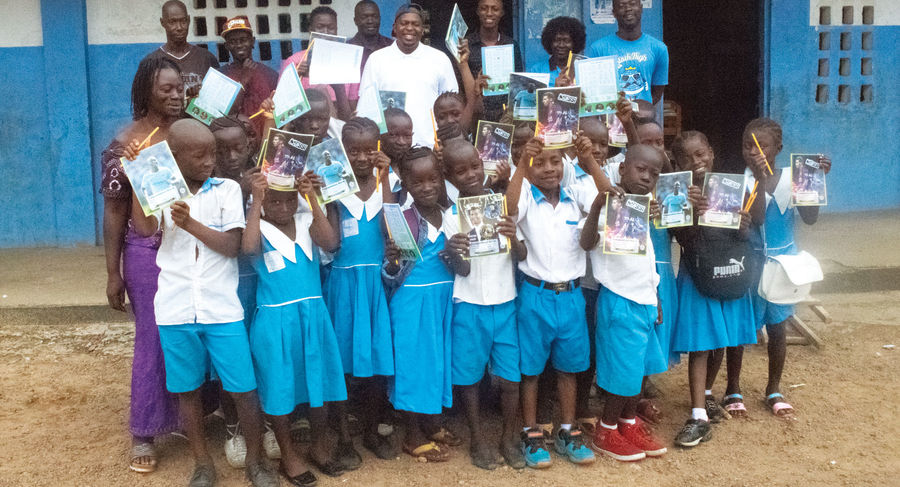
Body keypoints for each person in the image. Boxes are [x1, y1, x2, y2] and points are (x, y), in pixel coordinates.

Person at [126, 119, 277, 487]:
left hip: (221, 308)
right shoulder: (162, 187)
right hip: (176, 308)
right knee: (187, 390)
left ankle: (256, 462)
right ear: (174, 157)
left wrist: (190, 223)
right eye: (200, 155)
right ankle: (202, 464)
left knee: (243, 387)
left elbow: (232, 246)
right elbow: (145, 230)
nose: (211, 160)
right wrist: (138, 175)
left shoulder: (225, 189)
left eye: (212, 152)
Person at [504, 132, 612, 468]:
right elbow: (507, 208)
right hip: (534, 296)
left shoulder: (575, 198)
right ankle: (531, 432)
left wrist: (588, 160)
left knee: (569, 369)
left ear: (566, 164)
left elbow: (605, 199)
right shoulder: (525, 198)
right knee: (531, 371)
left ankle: (567, 430)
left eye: (556, 161)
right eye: (540, 162)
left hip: (571, 297)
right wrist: (523, 162)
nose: (549, 169)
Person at [101, 56, 183, 475]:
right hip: (145, 253)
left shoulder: (192, 133)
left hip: (190, 249)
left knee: (191, 331)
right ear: (145, 92)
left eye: (179, 87)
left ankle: (191, 416)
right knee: (152, 337)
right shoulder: (125, 143)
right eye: (165, 89)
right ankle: (145, 430)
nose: (175, 95)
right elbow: (115, 213)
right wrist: (113, 272)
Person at [242, 170, 349, 485]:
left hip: (313, 317)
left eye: (288, 199)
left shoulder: (306, 223)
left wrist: (311, 198)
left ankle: (319, 444)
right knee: (278, 388)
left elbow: (331, 242)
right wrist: (256, 200)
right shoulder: (257, 227)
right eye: (273, 200)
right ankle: (288, 453)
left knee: (319, 384)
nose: (282, 206)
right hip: (275, 323)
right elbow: (248, 249)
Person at [668, 129, 762, 448]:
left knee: (720, 339)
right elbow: (683, 238)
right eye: (686, 158)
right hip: (698, 276)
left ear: (711, 153)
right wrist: (691, 209)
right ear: (676, 162)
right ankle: (697, 415)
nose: (696, 162)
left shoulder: (731, 187)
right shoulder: (677, 191)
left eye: (700, 154)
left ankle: (705, 395)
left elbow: (743, 235)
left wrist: (744, 227)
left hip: (728, 269)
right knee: (700, 345)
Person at [439, 139, 525, 470]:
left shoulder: (501, 205)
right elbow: (462, 270)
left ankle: (507, 437)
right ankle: (477, 439)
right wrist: (454, 250)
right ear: (449, 175)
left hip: (504, 303)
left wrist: (512, 236)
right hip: (469, 304)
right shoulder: (451, 217)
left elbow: (522, 257)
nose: (471, 174)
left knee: (510, 378)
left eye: (475, 166)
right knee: (470, 377)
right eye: (461, 171)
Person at [579, 145, 668, 462]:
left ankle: (628, 423)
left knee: (640, 371)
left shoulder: (642, 208)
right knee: (623, 376)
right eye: (640, 169)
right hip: (620, 303)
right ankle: (606, 430)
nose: (646, 177)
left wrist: (655, 296)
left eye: (653, 174)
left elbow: (648, 259)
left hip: (643, 302)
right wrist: (596, 208)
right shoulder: (609, 208)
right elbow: (586, 243)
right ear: (622, 170)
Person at [741, 118, 831, 418]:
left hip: (782, 266)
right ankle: (732, 388)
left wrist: (815, 181)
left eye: (762, 145)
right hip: (750, 263)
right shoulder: (742, 181)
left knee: (777, 328)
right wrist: (756, 176)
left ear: (778, 148)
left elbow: (810, 218)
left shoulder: (794, 177)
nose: (755, 151)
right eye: (747, 146)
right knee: (743, 328)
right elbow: (757, 221)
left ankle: (774, 387)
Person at [321, 117, 398, 461]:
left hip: (378, 284)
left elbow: (391, 229)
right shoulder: (335, 188)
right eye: (354, 151)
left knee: (378, 361)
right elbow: (332, 243)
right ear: (343, 152)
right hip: (344, 284)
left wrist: (385, 180)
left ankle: (370, 430)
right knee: (342, 362)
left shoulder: (389, 182)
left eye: (370, 150)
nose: (363, 157)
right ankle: (343, 437)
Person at [382, 147, 456, 463]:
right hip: (413, 302)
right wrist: (393, 261)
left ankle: (432, 422)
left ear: (441, 178)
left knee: (436, 363)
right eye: (418, 182)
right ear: (406, 185)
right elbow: (391, 272)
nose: (427, 187)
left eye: (433, 179)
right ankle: (412, 435)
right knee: (413, 366)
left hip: (443, 300)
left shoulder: (450, 214)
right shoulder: (404, 220)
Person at [357, 3, 458, 149]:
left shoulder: (440, 59)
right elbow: (366, 108)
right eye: (404, 23)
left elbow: (451, 106)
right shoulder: (376, 60)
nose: (410, 28)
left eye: (415, 24)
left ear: (422, 29)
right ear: (394, 27)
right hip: (389, 148)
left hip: (430, 146)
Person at [588, 0, 669, 105]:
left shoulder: (659, 48)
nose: (628, 9)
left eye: (632, 3)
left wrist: (641, 112)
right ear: (614, 13)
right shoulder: (598, 49)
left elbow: (657, 91)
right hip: (612, 118)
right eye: (622, 5)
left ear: (641, 8)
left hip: (644, 118)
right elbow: (594, 91)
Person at [280, 6, 353, 120]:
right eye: (320, 27)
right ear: (310, 29)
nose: (325, 32)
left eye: (331, 28)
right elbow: (282, 106)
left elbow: (352, 108)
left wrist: (339, 88)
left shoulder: (348, 63)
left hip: (341, 124)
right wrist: (295, 78)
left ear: (337, 30)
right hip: (306, 123)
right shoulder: (294, 61)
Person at [142, 0, 218, 97]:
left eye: (183, 21)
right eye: (172, 22)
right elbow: (142, 103)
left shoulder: (206, 58)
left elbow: (217, 97)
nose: (179, 27)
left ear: (189, 20)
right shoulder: (151, 62)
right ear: (162, 22)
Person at [219, 16, 278, 143]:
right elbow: (222, 115)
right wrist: (244, 80)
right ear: (227, 46)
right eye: (233, 41)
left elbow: (277, 113)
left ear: (252, 41)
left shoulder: (270, 74)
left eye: (243, 40)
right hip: (232, 143)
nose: (239, 45)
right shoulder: (221, 75)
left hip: (264, 140)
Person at [463, 0, 524, 121]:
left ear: (502, 13)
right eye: (484, 8)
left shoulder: (511, 45)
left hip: (507, 117)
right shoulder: (466, 45)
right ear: (477, 11)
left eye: (495, 9)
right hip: (477, 116)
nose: (489, 13)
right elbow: (459, 85)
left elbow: (519, 84)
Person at [347, 1, 394, 108]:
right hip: (354, 110)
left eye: (374, 16)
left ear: (380, 19)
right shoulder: (346, 50)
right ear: (355, 21)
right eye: (364, 17)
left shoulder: (392, 47)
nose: (370, 21)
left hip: (388, 108)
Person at [527, 16, 586, 87]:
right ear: (549, 42)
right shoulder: (537, 70)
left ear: (575, 43)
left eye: (566, 41)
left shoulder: (583, 68)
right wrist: (555, 89)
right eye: (557, 40)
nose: (561, 45)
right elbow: (532, 97)